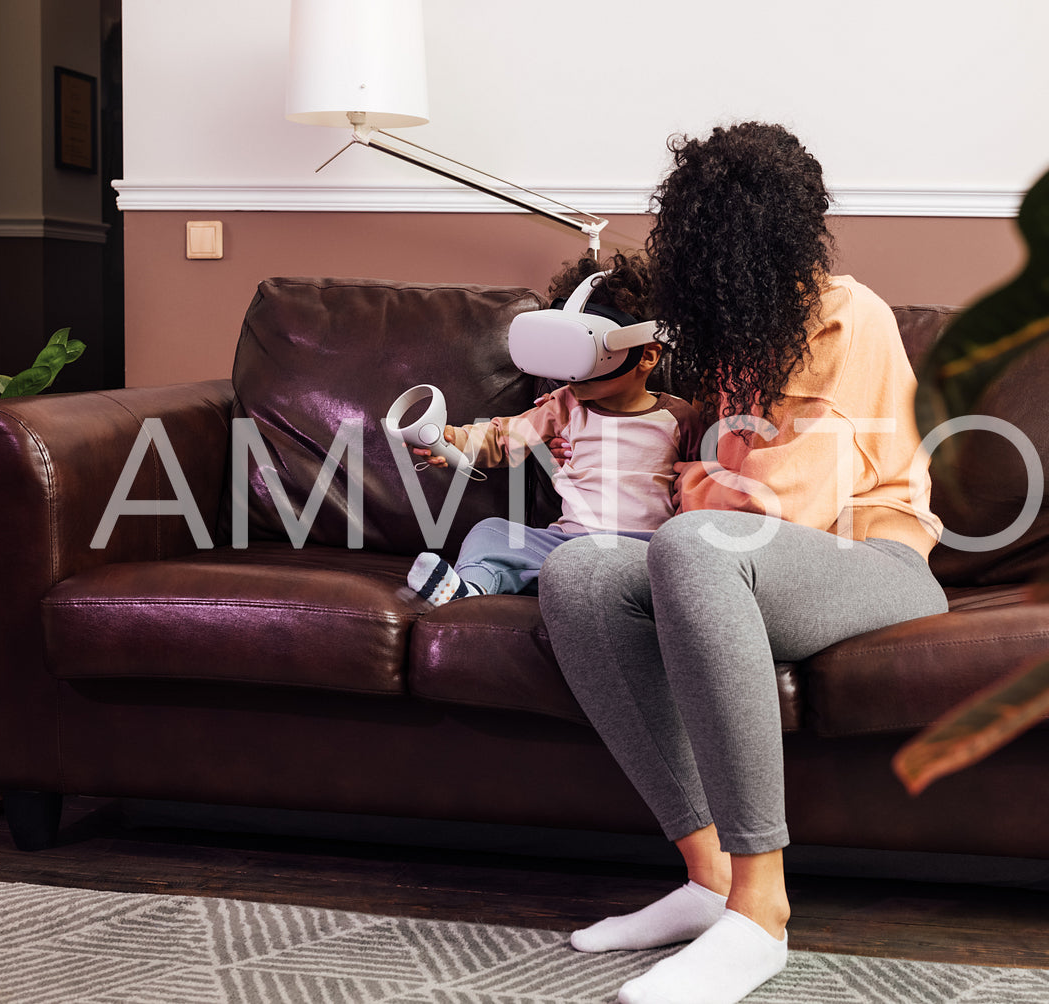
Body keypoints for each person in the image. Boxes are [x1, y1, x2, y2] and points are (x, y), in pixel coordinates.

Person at [537, 123, 950, 1004]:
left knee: (695, 541)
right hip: (763, 566)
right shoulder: (738, 341)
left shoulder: (849, 316)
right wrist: (708, 484)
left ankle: (761, 913)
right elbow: (723, 491)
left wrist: (709, 490)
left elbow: (781, 506)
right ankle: (707, 878)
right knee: (576, 573)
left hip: (875, 565)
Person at [406, 252, 702, 605]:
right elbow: (504, 438)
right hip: (569, 545)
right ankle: (468, 591)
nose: (570, 373)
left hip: (644, 549)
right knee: (489, 533)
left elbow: (701, 480)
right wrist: (455, 441)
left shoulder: (679, 417)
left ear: (648, 355)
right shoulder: (564, 405)